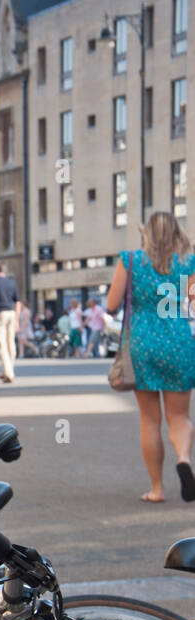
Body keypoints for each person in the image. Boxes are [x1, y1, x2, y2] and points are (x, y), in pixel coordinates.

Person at [105, 212, 195, 503]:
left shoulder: (130, 260)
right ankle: (184, 458)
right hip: (179, 342)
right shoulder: (188, 262)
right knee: (179, 417)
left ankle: (156, 488)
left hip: (142, 344)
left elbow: (111, 304)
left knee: (150, 419)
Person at [0, 262, 21, 382]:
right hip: (11, 313)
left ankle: (8, 373)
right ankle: (8, 370)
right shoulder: (11, 282)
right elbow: (18, 302)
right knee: (10, 343)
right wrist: (17, 320)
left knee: (2, 345)